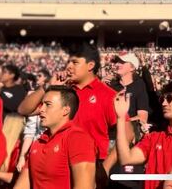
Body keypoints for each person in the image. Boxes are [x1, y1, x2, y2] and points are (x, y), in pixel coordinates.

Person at [18, 43, 117, 187]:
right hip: (56, 161)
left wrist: (106, 167)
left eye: (75, 62)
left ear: (90, 65)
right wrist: (47, 86)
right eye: (68, 62)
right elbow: (24, 110)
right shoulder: (62, 92)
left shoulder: (108, 95)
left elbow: (127, 134)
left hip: (89, 165)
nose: (69, 66)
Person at [114, 81, 172, 189]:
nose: (164, 103)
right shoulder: (154, 138)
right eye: (162, 99)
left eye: (169, 98)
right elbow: (126, 159)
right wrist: (121, 118)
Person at [13, 86, 96, 189]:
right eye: (42, 104)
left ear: (65, 110)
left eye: (48, 105)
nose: (41, 109)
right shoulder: (39, 142)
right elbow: (22, 185)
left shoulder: (77, 138)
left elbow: (85, 186)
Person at [111, 53, 150, 126]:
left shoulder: (139, 85)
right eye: (117, 62)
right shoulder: (110, 85)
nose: (117, 64)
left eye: (122, 62)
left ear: (132, 68)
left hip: (129, 130)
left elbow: (142, 117)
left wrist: (121, 122)